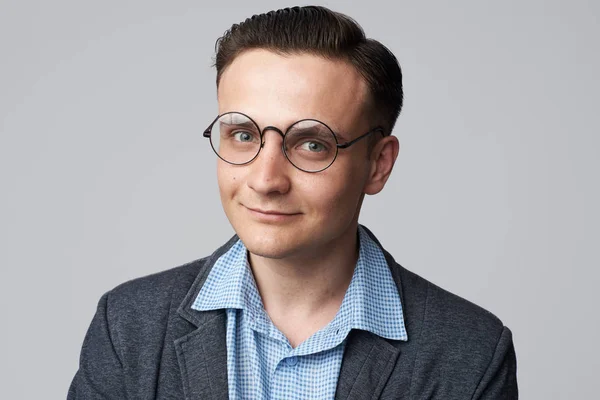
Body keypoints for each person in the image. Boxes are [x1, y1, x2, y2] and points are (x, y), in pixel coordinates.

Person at [68, 5, 517, 399]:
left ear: (378, 165)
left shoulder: (471, 351)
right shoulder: (128, 326)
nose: (265, 180)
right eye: (242, 135)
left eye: (311, 145)